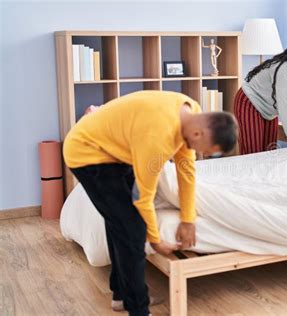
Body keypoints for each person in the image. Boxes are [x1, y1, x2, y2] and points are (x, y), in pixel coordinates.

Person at [63, 90, 238, 316]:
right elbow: (143, 199)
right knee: (133, 228)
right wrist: (155, 241)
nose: (200, 153)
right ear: (198, 132)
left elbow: (187, 172)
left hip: (115, 150)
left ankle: (121, 296)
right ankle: (138, 309)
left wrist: (188, 219)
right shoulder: (159, 138)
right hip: (86, 152)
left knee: (120, 222)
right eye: (205, 150)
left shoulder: (191, 112)